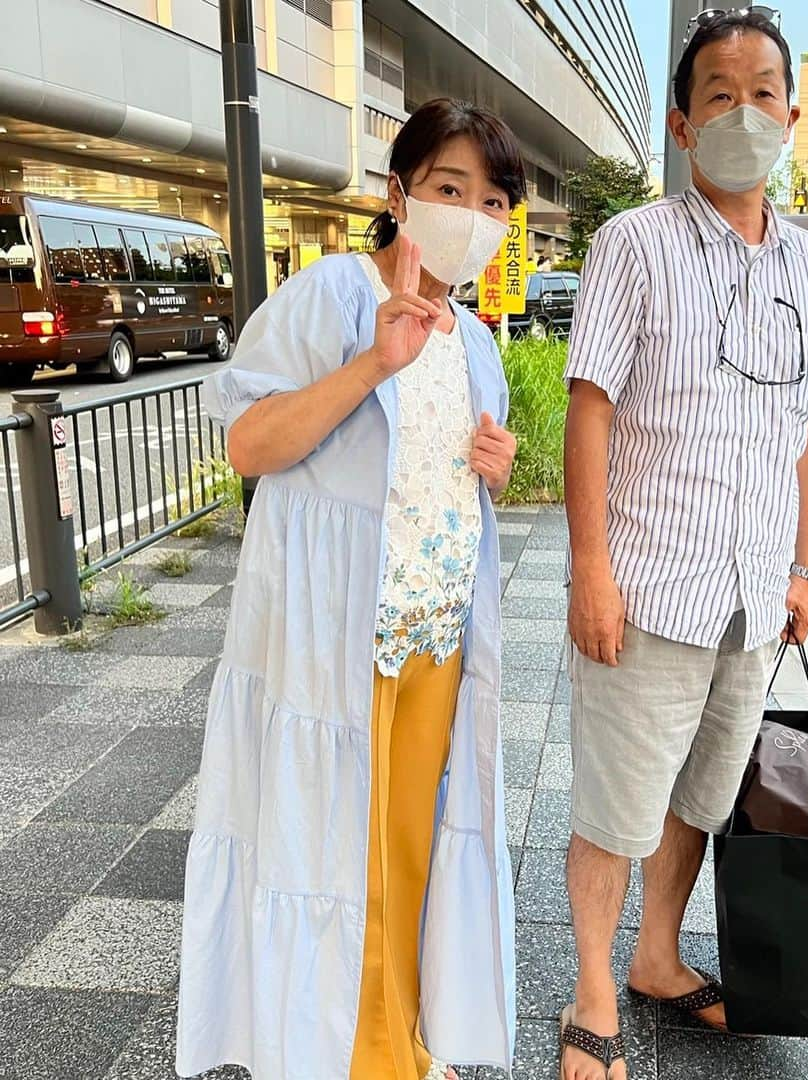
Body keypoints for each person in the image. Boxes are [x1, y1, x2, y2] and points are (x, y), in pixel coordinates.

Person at [175, 99, 524, 1080]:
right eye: (450, 189)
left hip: (438, 638)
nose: (471, 216)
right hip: (345, 641)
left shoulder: (476, 339)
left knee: (409, 851)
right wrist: (376, 357)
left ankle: (405, 1037)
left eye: (492, 201)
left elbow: (439, 471)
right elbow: (250, 443)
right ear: (397, 191)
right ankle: (360, 1057)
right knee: (342, 856)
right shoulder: (333, 295)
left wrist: (493, 464)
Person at [559, 12, 808, 1078]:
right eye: (719, 94)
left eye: (763, 91)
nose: (745, 112)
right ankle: (595, 989)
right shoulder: (631, 245)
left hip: (752, 593)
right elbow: (589, 408)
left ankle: (657, 957)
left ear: (791, 113)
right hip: (648, 586)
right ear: (684, 125)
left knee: (699, 796)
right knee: (616, 803)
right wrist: (590, 570)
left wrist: (807, 565)